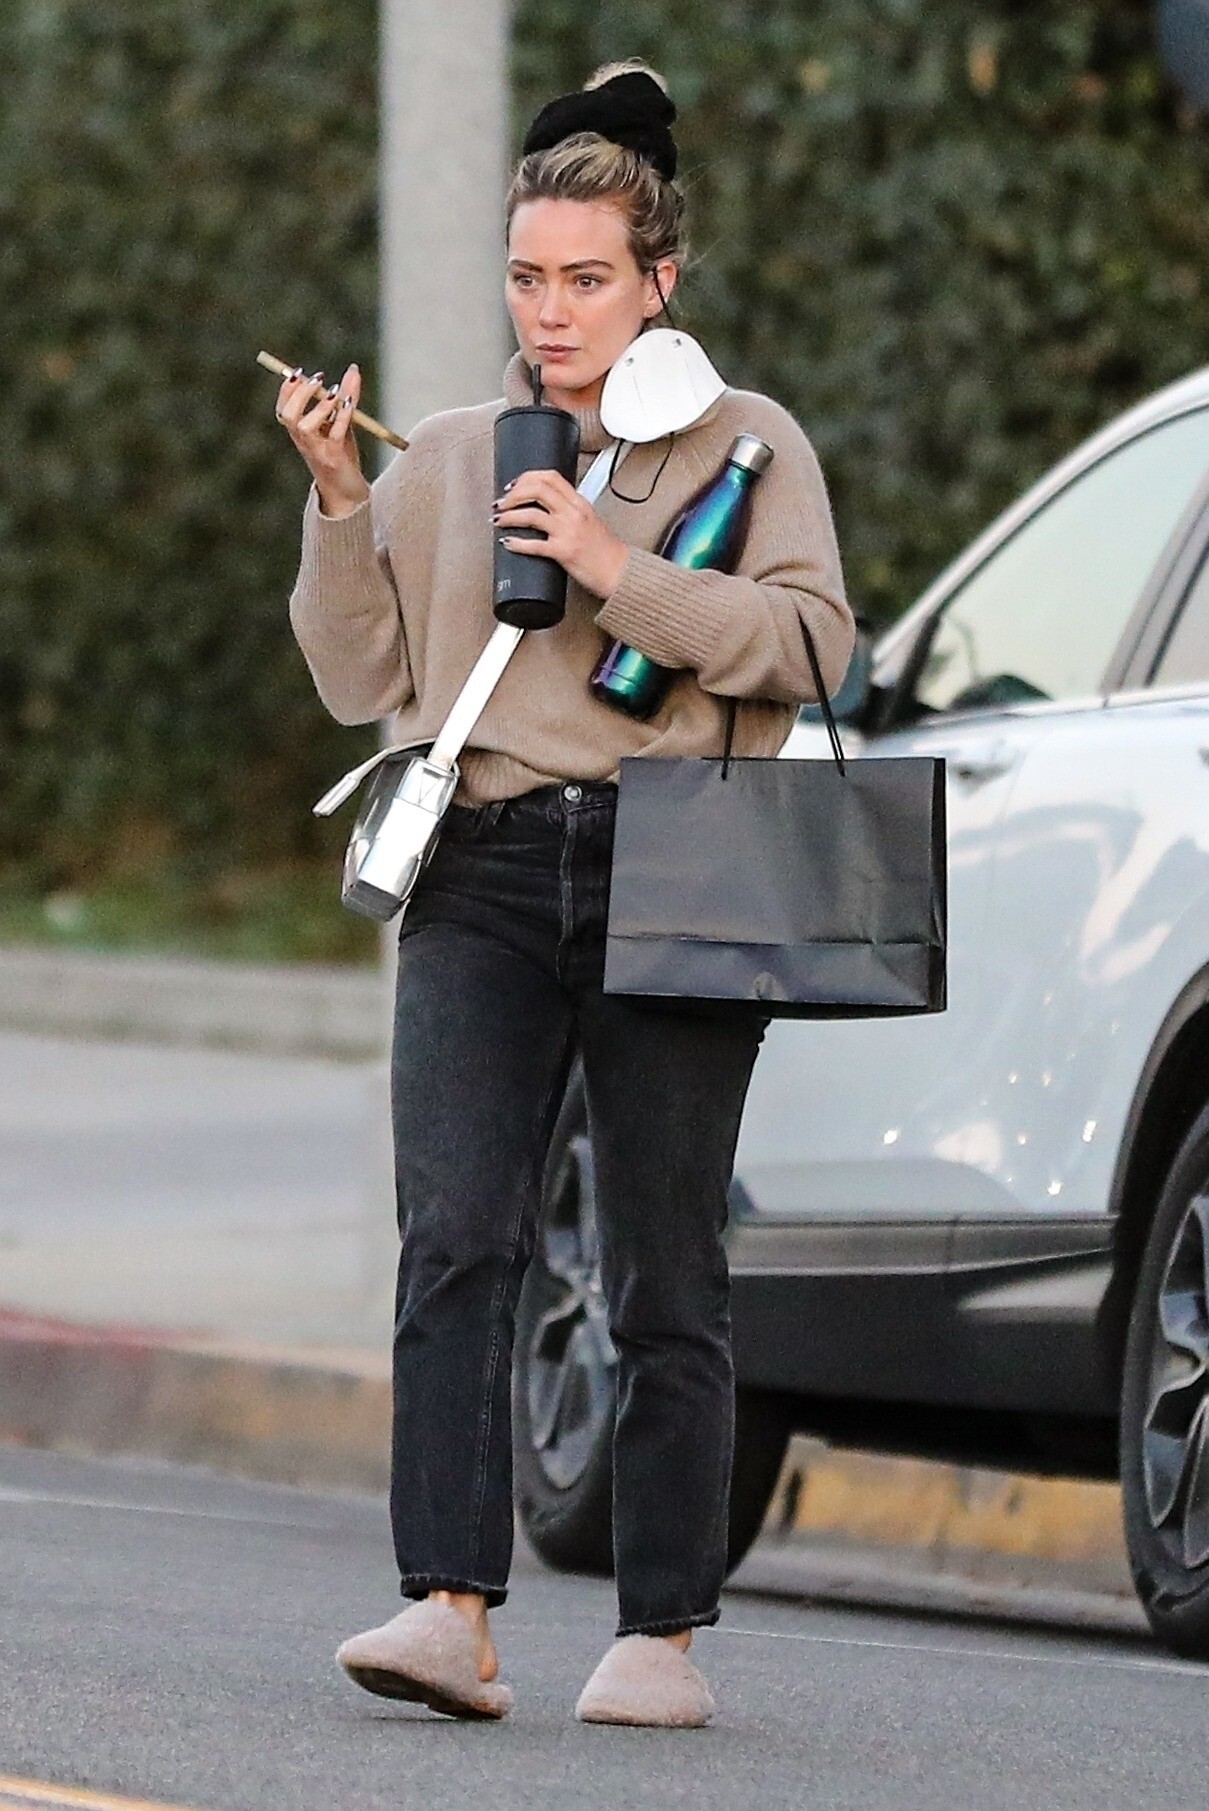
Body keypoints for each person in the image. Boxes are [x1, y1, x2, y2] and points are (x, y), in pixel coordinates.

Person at [280, 60, 854, 1728]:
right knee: (458, 1237)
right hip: (485, 862)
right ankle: (447, 1611)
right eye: (527, 278)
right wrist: (339, 504)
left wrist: (615, 572)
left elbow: (810, 646)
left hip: (682, 861)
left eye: (586, 278)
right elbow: (358, 675)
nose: (551, 312)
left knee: (665, 1261)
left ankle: (659, 1635)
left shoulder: (749, 442)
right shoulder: (459, 452)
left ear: (657, 279)